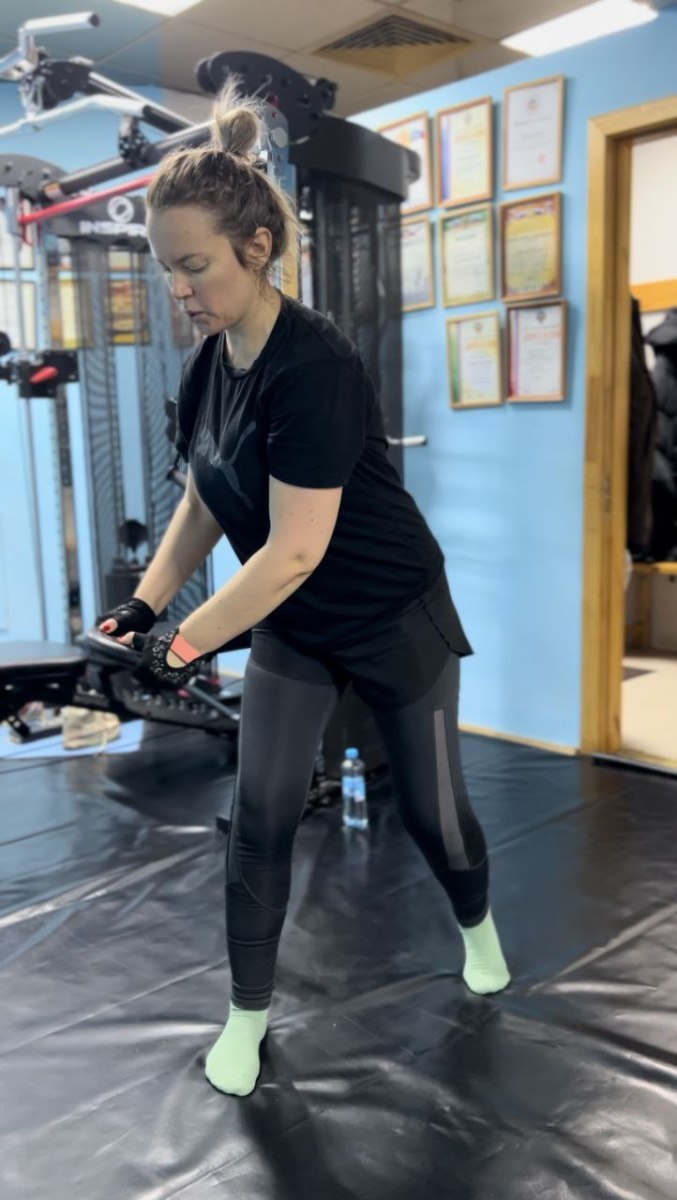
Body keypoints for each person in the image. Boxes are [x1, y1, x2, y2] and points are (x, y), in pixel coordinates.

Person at [99, 84, 511, 1098]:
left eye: (194, 267)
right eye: (168, 270)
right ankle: (246, 1016)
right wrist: (146, 605)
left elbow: (291, 551)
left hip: (390, 614)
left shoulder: (313, 366)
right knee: (260, 814)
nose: (180, 290)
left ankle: (479, 932)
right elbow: (205, 494)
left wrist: (187, 642)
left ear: (256, 248)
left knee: (432, 813)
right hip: (294, 628)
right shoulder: (210, 367)